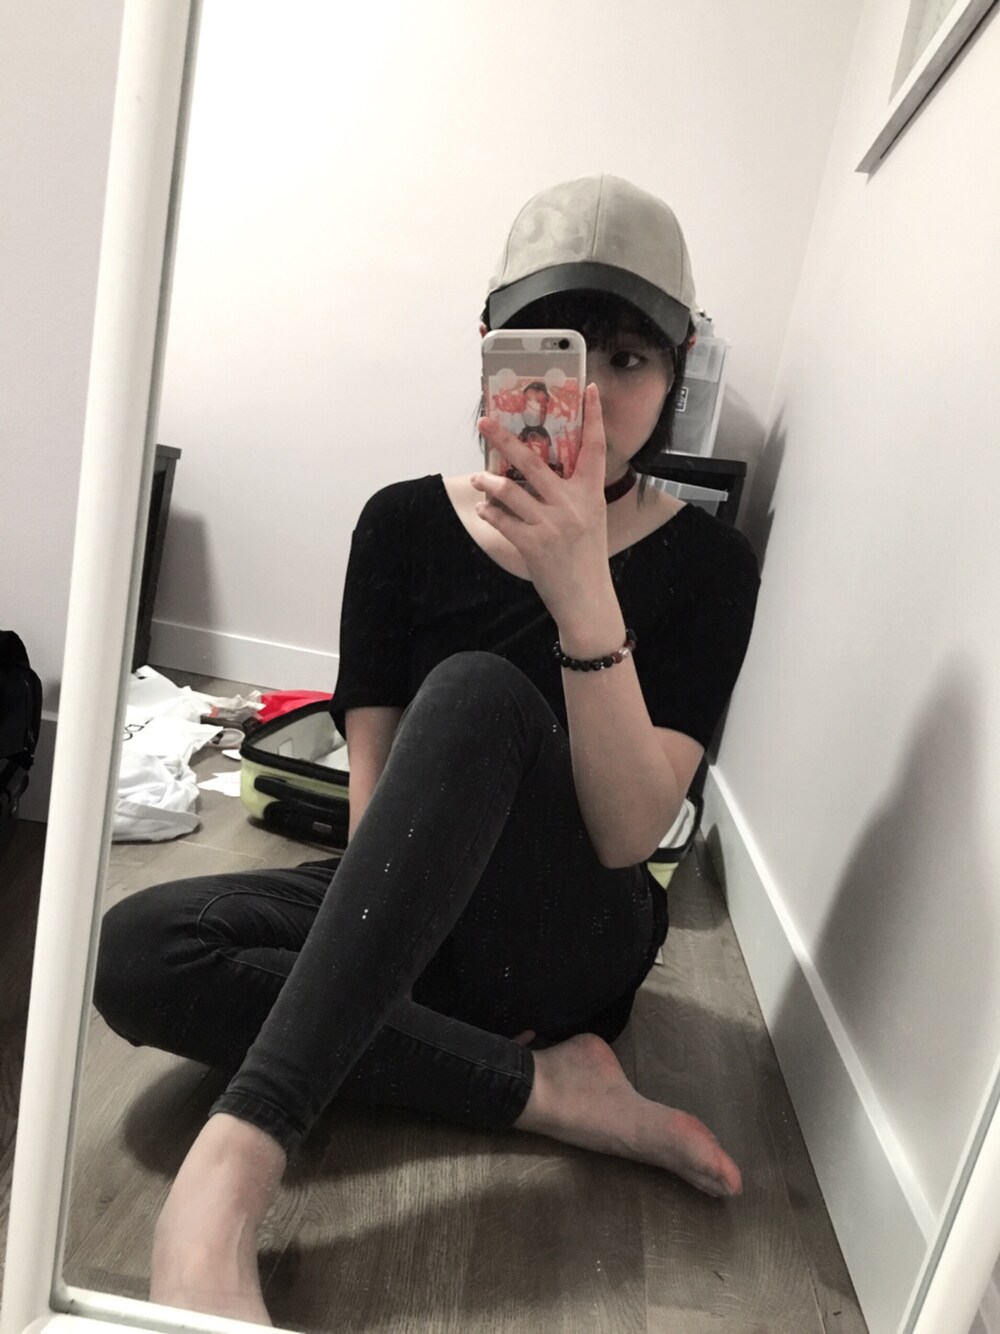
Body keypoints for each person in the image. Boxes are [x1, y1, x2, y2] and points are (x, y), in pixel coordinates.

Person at [94, 173, 760, 1325]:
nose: (589, 395)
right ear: (491, 349)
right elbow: (373, 798)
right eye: (555, 351)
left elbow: (627, 835)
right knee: (141, 948)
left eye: (627, 358)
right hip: (411, 894)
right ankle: (547, 1089)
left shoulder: (707, 565)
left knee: (478, 692)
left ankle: (229, 1173)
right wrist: (375, 949)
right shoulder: (402, 522)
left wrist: (580, 587)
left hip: (568, 929)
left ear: (678, 367)